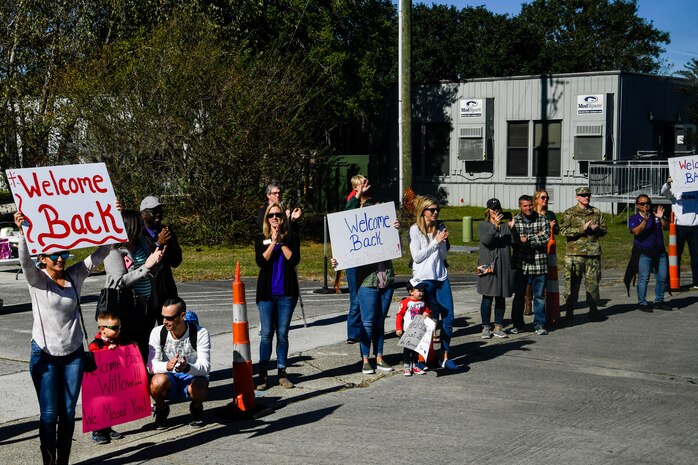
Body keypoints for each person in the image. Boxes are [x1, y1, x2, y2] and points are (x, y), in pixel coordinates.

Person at [14, 211, 111, 465]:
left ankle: (63, 462)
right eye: (53, 255)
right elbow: (25, 262)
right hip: (44, 355)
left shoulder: (75, 275)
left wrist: (113, 220)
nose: (60, 259)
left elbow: (101, 253)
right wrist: (23, 233)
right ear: (42, 258)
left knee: (67, 413)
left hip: (74, 356)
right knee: (48, 414)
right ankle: (49, 462)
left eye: (64, 253)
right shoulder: (36, 280)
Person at [103, 209, 164, 362]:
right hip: (125, 307)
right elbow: (120, 281)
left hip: (144, 304)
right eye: (138, 225)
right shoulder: (113, 250)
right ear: (128, 227)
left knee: (144, 344)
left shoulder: (140, 242)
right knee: (127, 347)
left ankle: (143, 379)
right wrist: (146, 267)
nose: (141, 229)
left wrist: (157, 261)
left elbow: (150, 268)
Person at [408, 195, 458, 370]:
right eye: (432, 210)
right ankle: (421, 358)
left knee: (449, 317)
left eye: (438, 210)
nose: (436, 212)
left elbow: (443, 256)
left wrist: (442, 242)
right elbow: (417, 257)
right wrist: (435, 242)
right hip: (424, 278)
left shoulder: (440, 228)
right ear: (423, 212)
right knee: (426, 319)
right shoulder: (415, 230)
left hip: (441, 277)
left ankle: (444, 356)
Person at [255, 202, 301, 390]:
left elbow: (294, 259)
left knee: (282, 335)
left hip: (286, 294)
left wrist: (281, 242)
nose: (275, 218)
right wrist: (272, 241)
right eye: (271, 215)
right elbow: (261, 262)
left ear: (283, 218)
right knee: (266, 335)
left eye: (278, 215)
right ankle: (263, 374)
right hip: (266, 295)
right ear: (267, 219)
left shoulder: (291, 237)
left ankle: (282, 372)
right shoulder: (260, 238)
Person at [148, 297, 210, 428]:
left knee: (200, 385)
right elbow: (151, 366)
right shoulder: (158, 332)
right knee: (157, 382)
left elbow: (205, 368)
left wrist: (187, 367)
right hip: (170, 377)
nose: (165, 321)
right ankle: (162, 409)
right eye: (163, 317)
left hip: (191, 376)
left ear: (182, 316)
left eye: (169, 318)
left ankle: (196, 408)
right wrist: (167, 365)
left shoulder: (200, 333)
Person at [559, 187, 608, 322]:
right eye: (583, 195)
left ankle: (593, 310)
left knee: (593, 284)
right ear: (577, 197)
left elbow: (604, 230)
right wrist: (583, 229)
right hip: (575, 254)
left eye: (588, 195)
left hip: (592, 253)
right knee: (573, 285)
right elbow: (563, 231)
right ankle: (569, 312)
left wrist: (597, 229)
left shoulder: (596, 212)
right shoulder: (570, 212)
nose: (586, 197)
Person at [139, 196, 183, 325]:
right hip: (147, 290)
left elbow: (176, 261)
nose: (158, 214)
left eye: (160, 210)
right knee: (147, 330)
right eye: (153, 211)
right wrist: (158, 243)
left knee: (168, 327)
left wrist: (166, 246)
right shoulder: (138, 233)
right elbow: (145, 259)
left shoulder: (167, 232)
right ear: (143, 214)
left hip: (165, 287)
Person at [511, 195, 550, 335]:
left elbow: (545, 237)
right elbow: (513, 240)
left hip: (539, 264)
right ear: (520, 206)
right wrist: (534, 237)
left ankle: (539, 325)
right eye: (525, 206)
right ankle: (517, 324)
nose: (528, 208)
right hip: (521, 265)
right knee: (519, 296)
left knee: (539, 297)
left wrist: (526, 239)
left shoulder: (542, 219)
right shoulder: (515, 220)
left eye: (530, 205)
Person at [477, 198, 515, 339]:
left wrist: (512, 227)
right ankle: (486, 327)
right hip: (488, 267)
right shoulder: (483, 226)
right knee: (487, 298)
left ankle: (498, 326)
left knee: (501, 297)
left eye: (498, 209)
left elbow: (515, 242)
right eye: (494, 209)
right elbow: (487, 240)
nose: (496, 211)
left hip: (503, 267)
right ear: (488, 211)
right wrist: (495, 226)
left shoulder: (505, 227)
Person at [629, 195, 671, 312]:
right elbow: (636, 232)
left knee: (662, 278)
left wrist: (661, 218)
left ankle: (659, 301)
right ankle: (642, 302)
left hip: (660, 252)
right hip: (644, 252)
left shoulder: (655, 215)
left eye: (647, 203)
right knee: (644, 278)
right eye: (642, 204)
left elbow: (667, 228)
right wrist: (645, 220)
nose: (646, 205)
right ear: (638, 205)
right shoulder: (635, 218)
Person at [88, 312, 126, 445]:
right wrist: (106, 351)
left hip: (112, 382)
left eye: (119, 327)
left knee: (110, 406)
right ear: (102, 329)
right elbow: (93, 356)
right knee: (99, 407)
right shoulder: (96, 343)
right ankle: (97, 431)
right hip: (99, 384)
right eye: (114, 328)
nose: (118, 331)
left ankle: (108, 428)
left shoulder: (117, 341)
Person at [343, 174, 372, 344]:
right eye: (362, 184)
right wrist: (358, 194)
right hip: (353, 258)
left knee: (367, 296)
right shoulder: (352, 201)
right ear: (355, 187)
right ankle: (353, 333)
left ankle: (366, 329)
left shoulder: (370, 201)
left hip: (368, 258)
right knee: (355, 297)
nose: (366, 186)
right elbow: (348, 214)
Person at [523, 189, 559, 315]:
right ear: (536, 199)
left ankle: (543, 305)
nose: (545, 200)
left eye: (547, 198)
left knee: (543, 277)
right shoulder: (531, 214)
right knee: (529, 278)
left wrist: (551, 228)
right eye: (543, 197)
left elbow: (557, 230)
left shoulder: (550, 214)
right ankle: (528, 303)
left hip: (547, 248)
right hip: (530, 250)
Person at [661, 176, 698, 289]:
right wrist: (668, 183)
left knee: (696, 256)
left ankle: (697, 282)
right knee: (675, 255)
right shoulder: (675, 189)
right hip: (678, 227)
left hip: (695, 226)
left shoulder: (696, 188)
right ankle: (673, 281)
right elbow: (664, 192)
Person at [395, 278, 432, 376]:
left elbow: (428, 310)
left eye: (423, 291)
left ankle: (415, 365)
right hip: (408, 330)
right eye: (419, 291)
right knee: (407, 350)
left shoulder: (423, 302)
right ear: (411, 292)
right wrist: (398, 328)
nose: (422, 293)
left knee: (417, 349)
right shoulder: (406, 302)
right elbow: (399, 315)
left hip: (419, 330)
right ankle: (407, 367)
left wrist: (426, 313)